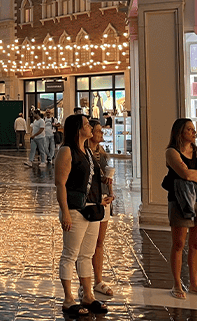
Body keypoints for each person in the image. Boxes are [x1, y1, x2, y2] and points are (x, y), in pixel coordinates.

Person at [56, 114, 110, 317]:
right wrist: (65, 212)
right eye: (87, 125)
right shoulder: (67, 151)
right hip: (75, 209)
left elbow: (91, 180)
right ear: (78, 129)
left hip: (93, 208)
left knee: (86, 255)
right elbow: (60, 183)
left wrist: (100, 197)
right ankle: (68, 298)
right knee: (70, 254)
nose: (91, 127)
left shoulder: (87, 151)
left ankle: (87, 295)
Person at [164, 118, 197, 300]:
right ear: (180, 132)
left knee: (196, 244)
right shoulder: (172, 152)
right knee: (179, 243)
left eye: (194, 130)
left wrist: (195, 175)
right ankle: (177, 283)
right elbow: (184, 174)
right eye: (189, 129)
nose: (194, 133)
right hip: (179, 201)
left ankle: (194, 284)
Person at [87, 118, 115, 297]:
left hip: (103, 197)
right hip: (90, 199)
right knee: (87, 243)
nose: (101, 134)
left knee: (99, 241)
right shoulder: (83, 152)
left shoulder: (103, 154)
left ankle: (98, 279)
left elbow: (107, 176)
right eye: (98, 131)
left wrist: (111, 191)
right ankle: (86, 281)